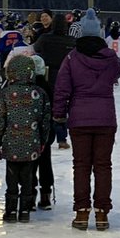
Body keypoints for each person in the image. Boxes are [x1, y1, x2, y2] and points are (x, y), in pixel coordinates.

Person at [54, 8, 120, 231]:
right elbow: (118, 72)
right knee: (103, 165)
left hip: (79, 117)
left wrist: (59, 113)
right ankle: (102, 213)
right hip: (105, 118)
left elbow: (62, 88)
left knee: (81, 165)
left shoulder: (72, 57)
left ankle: (82, 212)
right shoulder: (110, 57)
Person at [0, 55, 51, 223]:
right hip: (31, 144)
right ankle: (25, 211)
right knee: (27, 177)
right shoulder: (39, 93)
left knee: (11, 178)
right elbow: (45, 121)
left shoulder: (5, 93)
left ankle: (10, 211)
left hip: (11, 144)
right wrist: (43, 141)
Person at [34, 13, 75, 152]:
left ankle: (45, 136)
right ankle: (62, 139)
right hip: (65, 77)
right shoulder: (71, 41)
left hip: (47, 76)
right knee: (61, 107)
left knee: (46, 107)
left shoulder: (45, 38)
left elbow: (36, 48)